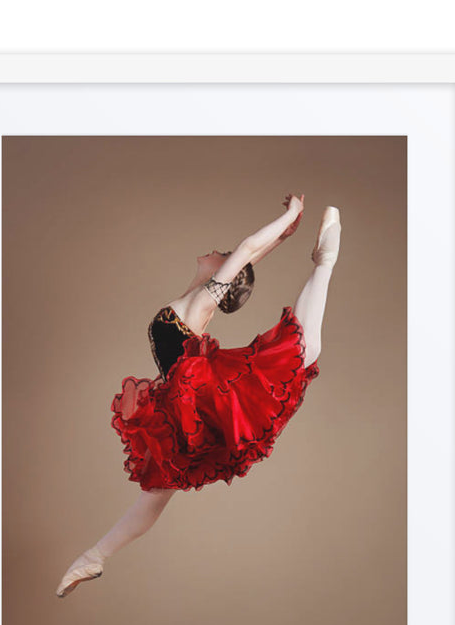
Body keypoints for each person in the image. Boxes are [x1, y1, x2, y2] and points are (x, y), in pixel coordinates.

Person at [56, 193, 341, 597]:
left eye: (221, 255)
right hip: (179, 403)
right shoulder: (193, 300)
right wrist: (281, 237)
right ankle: (94, 557)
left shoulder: (195, 306)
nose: (214, 251)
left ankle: (324, 262)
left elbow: (245, 251)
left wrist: (291, 215)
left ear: (223, 281)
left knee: (298, 351)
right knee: (156, 492)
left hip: (197, 394)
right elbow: (248, 257)